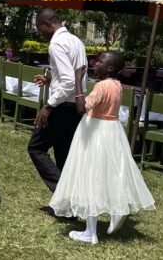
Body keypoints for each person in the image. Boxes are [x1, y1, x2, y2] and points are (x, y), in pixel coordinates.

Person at [49, 51, 154, 244]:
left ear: (110, 68)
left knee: (90, 177)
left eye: (99, 62)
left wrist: (79, 81)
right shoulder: (117, 85)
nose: (95, 64)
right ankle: (118, 208)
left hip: (95, 132)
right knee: (111, 173)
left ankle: (91, 232)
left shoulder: (101, 86)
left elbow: (82, 108)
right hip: (112, 130)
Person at [29, 8, 88, 193]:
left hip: (61, 107)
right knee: (63, 154)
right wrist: (51, 81)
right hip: (75, 106)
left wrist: (48, 105)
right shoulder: (76, 41)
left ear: (47, 24)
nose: (41, 34)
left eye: (40, 29)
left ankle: (64, 193)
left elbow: (69, 81)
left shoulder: (56, 44)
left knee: (36, 148)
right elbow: (74, 77)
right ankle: (65, 208)